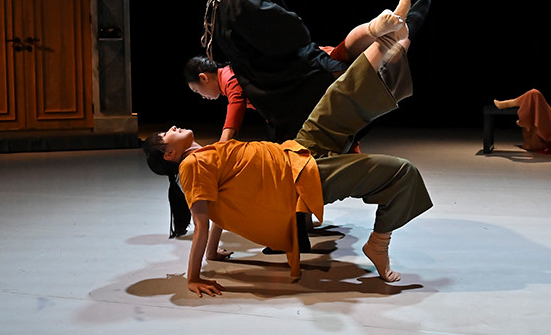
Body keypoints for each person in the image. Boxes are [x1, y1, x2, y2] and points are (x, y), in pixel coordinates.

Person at [144, 19, 430, 297]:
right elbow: (203, 222)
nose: (172, 127)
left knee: (339, 95)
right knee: (401, 171)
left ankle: (390, 34)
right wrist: (193, 277)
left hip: (296, 149)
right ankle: (379, 243)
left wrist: (212, 253)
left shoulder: (203, 154)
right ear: (169, 154)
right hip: (297, 179)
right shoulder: (191, 166)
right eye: (166, 134)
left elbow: (220, 208)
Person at [200, 0, 431, 143]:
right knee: (360, 74)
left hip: (297, 81)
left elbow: (294, 30)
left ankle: (394, 28)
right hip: (288, 86)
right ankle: (394, 27)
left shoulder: (237, 0)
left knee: (369, 79)